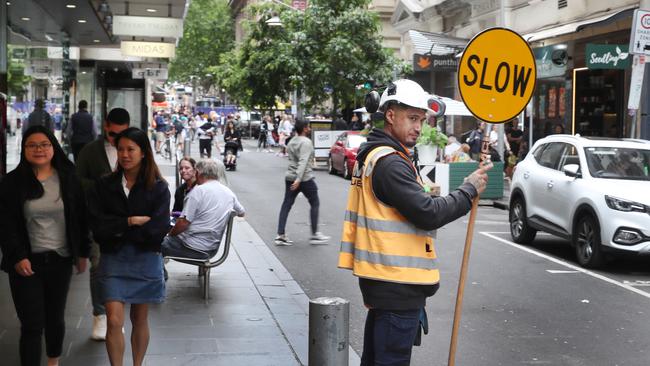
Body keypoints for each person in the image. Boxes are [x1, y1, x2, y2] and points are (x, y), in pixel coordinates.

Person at [337, 79, 490, 365]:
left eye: (421, 119)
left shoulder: (378, 156)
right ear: (391, 116)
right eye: (412, 118)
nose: (419, 127)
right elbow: (428, 212)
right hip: (396, 286)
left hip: (386, 284)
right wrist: (468, 190)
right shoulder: (390, 162)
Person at [0, 126, 90, 366]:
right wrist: (17, 256)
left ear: (53, 147)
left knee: (55, 318)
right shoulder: (12, 183)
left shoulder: (68, 177)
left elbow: (80, 217)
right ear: (24, 149)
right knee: (31, 324)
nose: (38, 149)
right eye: (32, 145)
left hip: (60, 259)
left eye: (44, 144)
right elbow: (5, 224)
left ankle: (53, 360)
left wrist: (82, 252)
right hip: (26, 263)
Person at [88, 127, 170, 366]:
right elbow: (98, 227)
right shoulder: (104, 185)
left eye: (130, 149)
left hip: (145, 258)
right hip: (113, 258)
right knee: (114, 319)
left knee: (139, 317)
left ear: (143, 152)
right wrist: (130, 221)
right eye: (120, 149)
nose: (124, 154)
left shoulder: (158, 187)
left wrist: (117, 230)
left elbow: (158, 230)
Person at [75, 107, 131, 341]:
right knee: (98, 264)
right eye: (112, 135)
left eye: (121, 135)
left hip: (126, 220)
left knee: (122, 266)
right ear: (106, 126)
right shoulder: (90, 151)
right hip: (98, 220)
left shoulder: (132, 147)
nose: (116, 140)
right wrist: (101, 187)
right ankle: (100, 315)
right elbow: (77, 182)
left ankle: (115, 316)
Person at [162, 159, 245, 260]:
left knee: (152, 243)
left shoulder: (198, 192)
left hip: (191, 246)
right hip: (212, 248)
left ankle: (159, 275)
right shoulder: (229, 193)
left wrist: (170, 235)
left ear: (198, 173)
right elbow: (241, 212)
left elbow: (183, 223)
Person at [274, 120, 330, 246]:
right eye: (308, 127)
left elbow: (292, 158)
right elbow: (303, 161)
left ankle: (280, 234)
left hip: (290, 176)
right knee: (315, 202)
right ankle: (315, 234)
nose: (309, 129)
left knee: (286, 204)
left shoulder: (292, 141)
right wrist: (299, 179)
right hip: (304, 178)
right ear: (305, 129)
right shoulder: (306, 142)